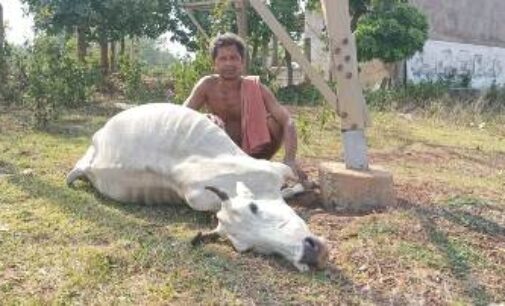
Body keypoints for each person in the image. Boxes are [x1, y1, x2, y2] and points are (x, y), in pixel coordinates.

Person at [183, 32, 306, 182]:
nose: (229, 63)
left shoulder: (256, 87)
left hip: (254, 154)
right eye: (223, 59)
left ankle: (257, 166)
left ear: (242, 62)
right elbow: (181, 115)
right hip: (219, 153)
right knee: (206, 121)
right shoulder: (206, 85)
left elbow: (287, 121)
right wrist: (203, 118)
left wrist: (289, 160)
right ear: (214, 63)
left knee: (275, 121)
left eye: (234, 58)